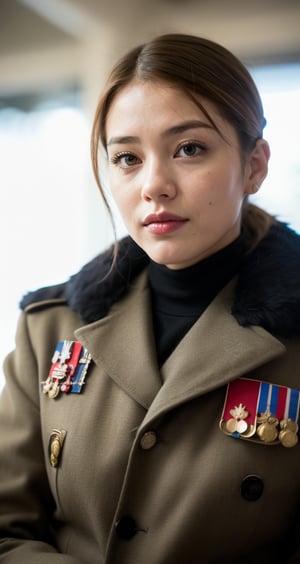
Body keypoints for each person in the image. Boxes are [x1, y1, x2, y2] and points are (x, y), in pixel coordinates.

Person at [0, 33, 300, 564]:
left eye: (189, 148)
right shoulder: (48, 328)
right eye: (127, 158)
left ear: (255, 165)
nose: (154, 185)